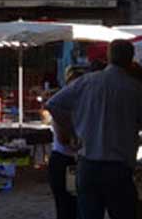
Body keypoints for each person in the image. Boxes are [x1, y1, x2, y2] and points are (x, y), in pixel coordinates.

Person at [46, 39, 142, 219]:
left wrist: (73, 133)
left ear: (108, 57)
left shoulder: (86, 82)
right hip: (118, 169)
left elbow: (53, 105)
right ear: (131, 59)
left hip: (87, 166)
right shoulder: (136, 89)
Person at [48, 66, 84, 219]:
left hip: (79, 161)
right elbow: (63, 139)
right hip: (64, 160)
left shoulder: (84, 105)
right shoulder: (61, 105)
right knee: (66, 207)